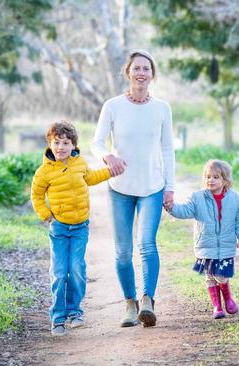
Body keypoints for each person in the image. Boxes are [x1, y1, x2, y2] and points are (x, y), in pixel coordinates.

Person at [91, 49, 175, 328]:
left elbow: (167, 150)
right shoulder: (113, 105)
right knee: (123, 251)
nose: (141, 73)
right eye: (137, 68)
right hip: (120, 188)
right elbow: (97, 142)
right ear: (128, 72)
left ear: (152, 75)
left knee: (147, 245)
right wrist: (108, 157)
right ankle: (130, 304)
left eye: (146, 69)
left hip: (152, 186)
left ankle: (148, 300)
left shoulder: (162, 108)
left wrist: (170, 187)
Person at [31, 121, 113, 336]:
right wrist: (46, 215)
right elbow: (37, 196)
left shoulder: (79, 163)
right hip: (58, 228)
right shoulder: (43, 172)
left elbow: (92, 177)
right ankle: (57, 318)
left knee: (76, 269)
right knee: (59, 273)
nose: (60, 147)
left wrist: (110, 171)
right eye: (56, 142)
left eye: (65, 143)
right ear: (49, 144)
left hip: (80, 228)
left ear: (73, 145)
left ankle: (75, 312)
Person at [165, 160, 239, 319]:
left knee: (221, 275)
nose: (211, 180)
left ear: (225, 180)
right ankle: (217, 306)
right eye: (208, 176)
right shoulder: (197, 198)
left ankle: (228, 297)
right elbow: (185, 211)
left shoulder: (236, 199)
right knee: (210, 276)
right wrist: (172, 208)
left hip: (225, 246)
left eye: (216, 177)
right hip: (205, 245)